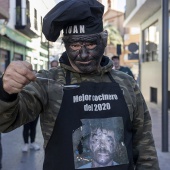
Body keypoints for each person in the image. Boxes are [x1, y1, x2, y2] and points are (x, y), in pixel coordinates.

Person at [0, 0, 160, 170]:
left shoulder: (127, 83)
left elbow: (144, 145)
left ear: (103, 41)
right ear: (66, 46)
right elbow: (5, 122)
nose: (83, 55)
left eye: (91, 44)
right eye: (75, 45)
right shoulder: (46, 83)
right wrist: (6, 92)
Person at [22, 70, 40, 152]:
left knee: (33, 127)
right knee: (26, 128)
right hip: (26, 110)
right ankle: (26, 144)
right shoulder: (24, 84)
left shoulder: (39, 86)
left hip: (35, 110)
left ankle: (32, 142)